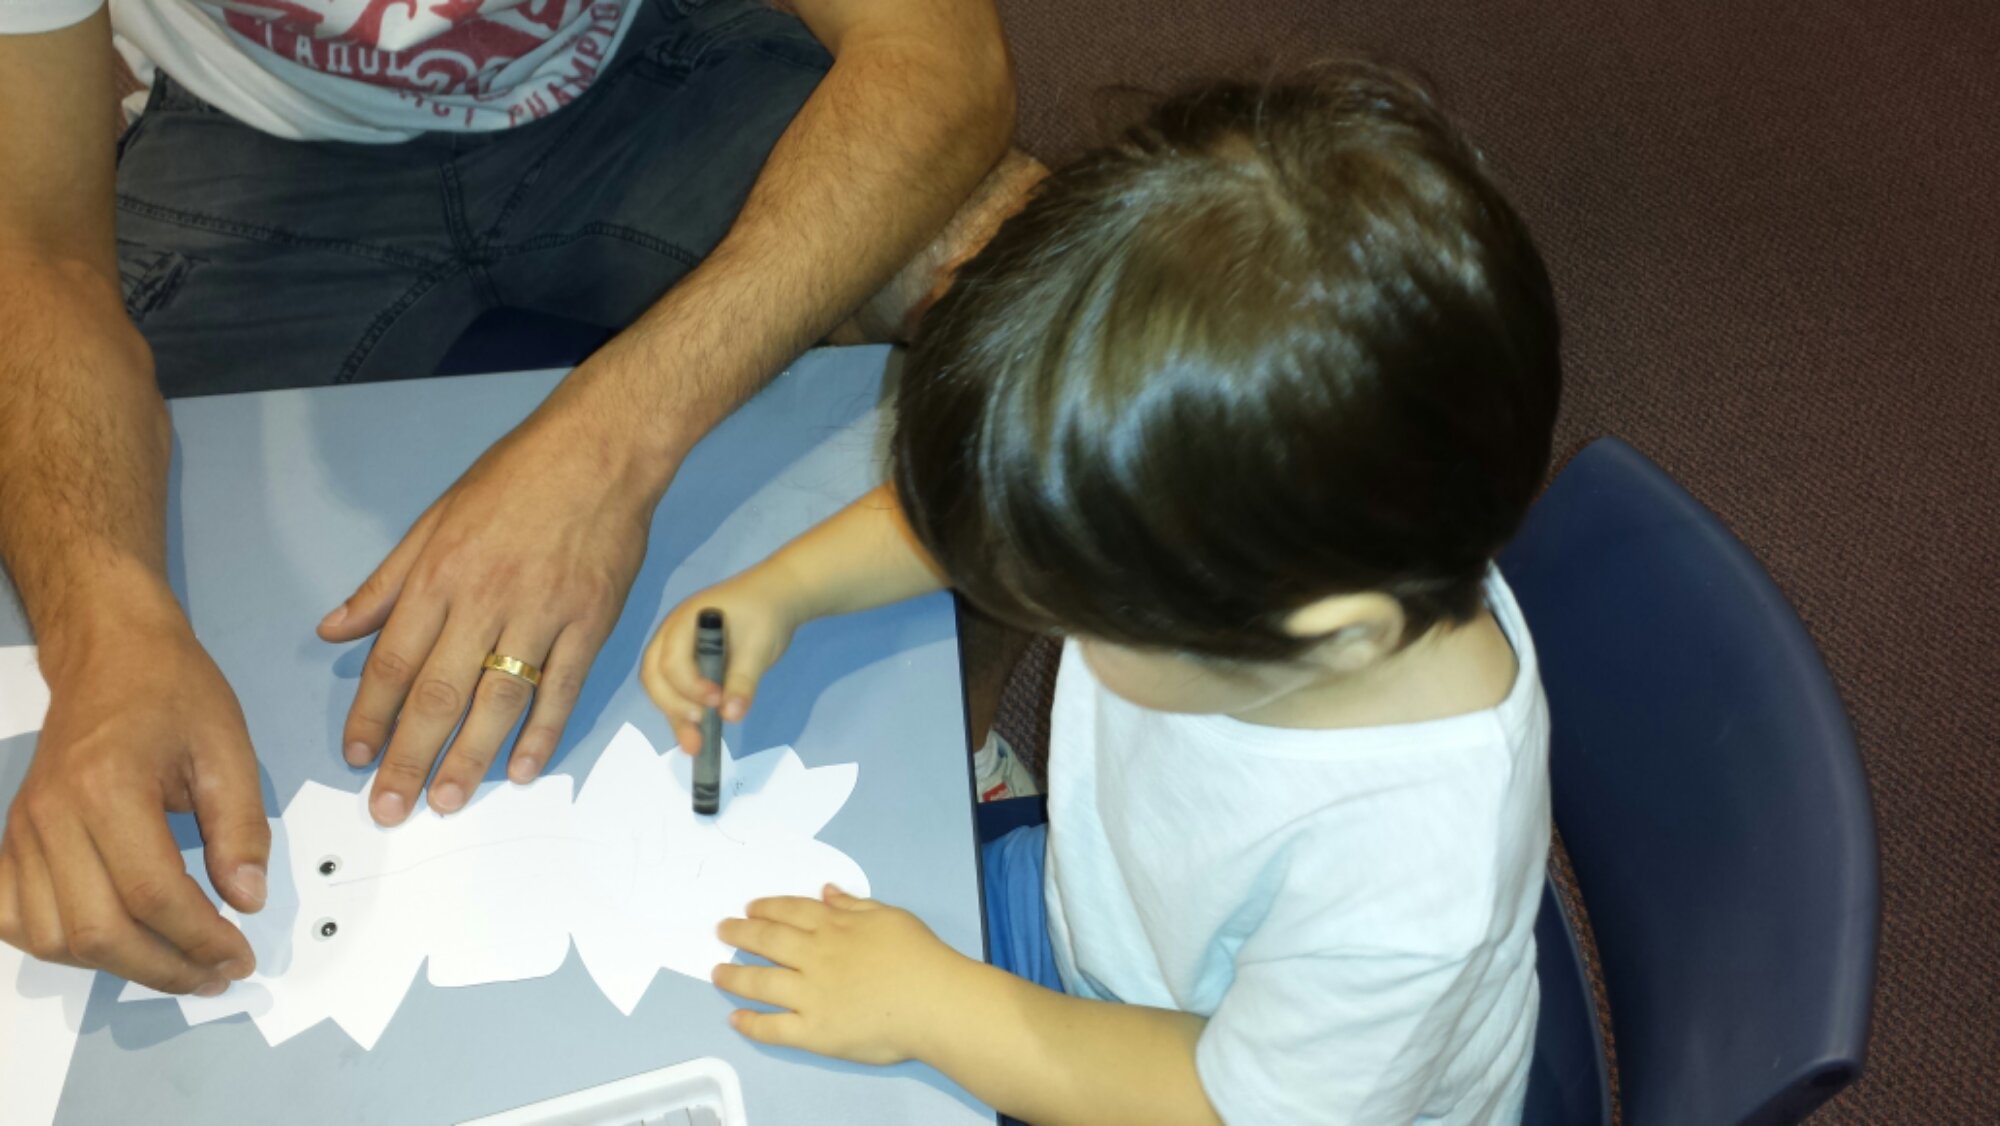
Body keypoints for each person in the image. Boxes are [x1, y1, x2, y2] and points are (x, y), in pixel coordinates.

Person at [0, 0, 1040, 998]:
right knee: (66, 526)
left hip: (624, 60)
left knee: (1048, 337)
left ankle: (959, 750)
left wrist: (608, 443)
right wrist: (100, 634)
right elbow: (34, 252)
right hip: (249, 135)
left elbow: (941, 62)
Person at [641, 63, 1564, 1123]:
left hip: (1196, 1076)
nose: (1049, 621)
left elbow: (1220, 1103)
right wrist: (779, 593)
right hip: (1104, 924)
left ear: (1330, 635)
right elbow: (1004, 512)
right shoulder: (1285, 549)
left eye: (1083, 610)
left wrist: (932, 1006)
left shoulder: (1410, 879)